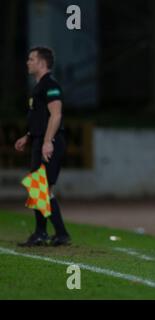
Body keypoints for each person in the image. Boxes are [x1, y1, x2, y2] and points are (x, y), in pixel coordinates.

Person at [15, 47, 71, 247]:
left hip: (51, 142)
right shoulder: (39, 87)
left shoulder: (51, 85)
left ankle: (54, 234)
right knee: (39, 189)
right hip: (40, 140)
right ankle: (46, 233)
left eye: (31, 59)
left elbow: (56, 115)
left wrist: (48, 141)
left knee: (42, 189)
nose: (28, 62)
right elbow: (41, 118)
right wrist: (29, 136)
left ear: (41, 63)